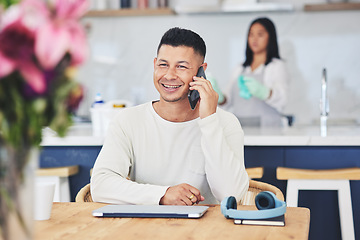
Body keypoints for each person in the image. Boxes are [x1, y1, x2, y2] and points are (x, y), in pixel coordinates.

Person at [90, 27, 249, 205]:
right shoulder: (128, 121)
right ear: (154, 64)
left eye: (181, 66)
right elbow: (100, 186)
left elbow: (231, 195)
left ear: (201, 71)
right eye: (163, 65)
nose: (169, 75)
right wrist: (163, 195)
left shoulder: (225, 123)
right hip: (140, 230)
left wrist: (209, 120)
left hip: (205, 231)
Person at [213, 17, 289, 127]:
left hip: (269, 130)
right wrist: (218, 96)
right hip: (240, 128)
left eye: (260, 34)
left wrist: (265, 92)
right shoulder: (239, 68)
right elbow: (228, 102)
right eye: (251, 34)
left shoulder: (276, 66)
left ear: (270, 37)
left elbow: (283, 100)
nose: (254, 39)